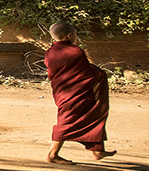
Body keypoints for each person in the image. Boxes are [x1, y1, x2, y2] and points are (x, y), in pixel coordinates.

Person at [45, 22, 116, 163]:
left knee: (91, 115)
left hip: (63, 91)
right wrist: (99, 74)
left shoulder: (50, 52)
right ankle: (52, 154)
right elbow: (86, 73)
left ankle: (97, 151)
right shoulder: (75, 51)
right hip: (74, 92)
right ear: (70, 35)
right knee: (67, 121)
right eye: (75, 35)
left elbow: (58, 71)